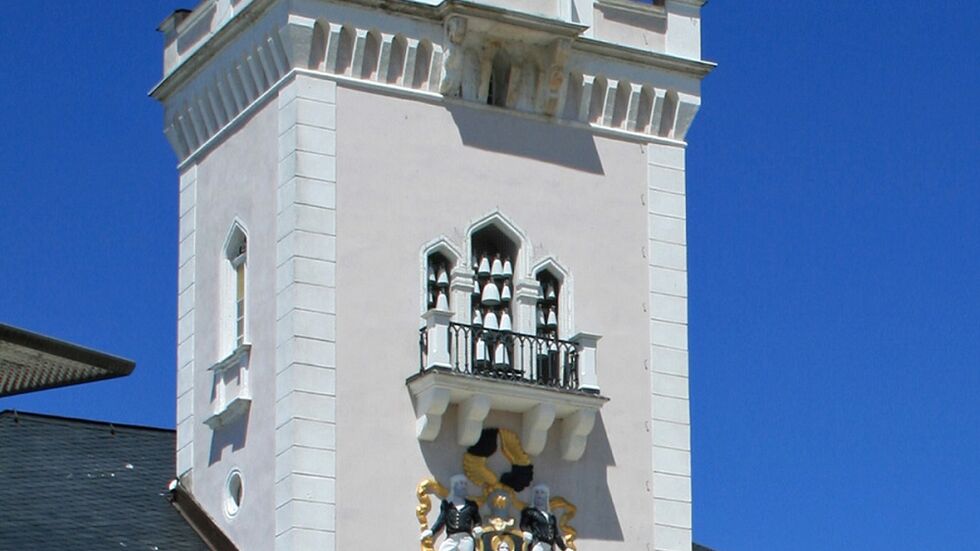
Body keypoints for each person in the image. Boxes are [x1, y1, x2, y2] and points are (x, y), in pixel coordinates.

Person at [421, 475, 483, 551]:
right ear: (454, 486)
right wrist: (432, 531)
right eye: (460, 483)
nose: (463, 486)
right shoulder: (447, 504)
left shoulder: (471, 505)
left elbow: (477, 520)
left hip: (465, 538)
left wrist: (478, 527)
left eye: (464, 484)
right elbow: (441, 520)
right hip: (452, 538)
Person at [520, 485, 566, 551]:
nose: (539, 495)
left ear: (546, 496)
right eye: (537, 492)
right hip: (537, 543)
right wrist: (527, 532)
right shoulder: (529, 512)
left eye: (542, 492)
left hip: (549, 546)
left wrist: (564, 548)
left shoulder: (551, 517)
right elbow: (523, 525)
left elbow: (556, 535)